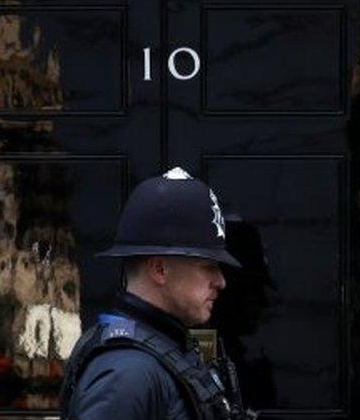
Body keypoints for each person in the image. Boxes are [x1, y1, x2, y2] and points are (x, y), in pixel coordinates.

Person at [59, 167, 251, 420]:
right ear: (160, 269)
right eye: (208, 267)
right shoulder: (128, 374)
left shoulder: (161, 352)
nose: (221, 281)